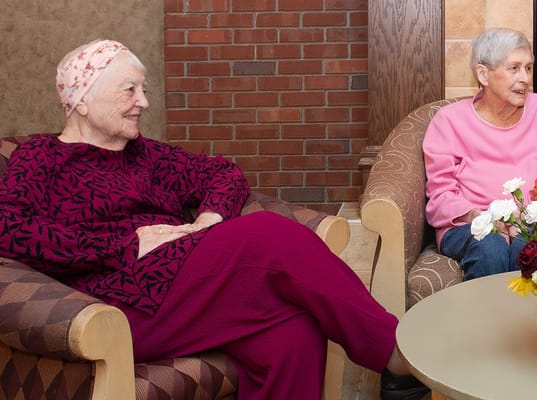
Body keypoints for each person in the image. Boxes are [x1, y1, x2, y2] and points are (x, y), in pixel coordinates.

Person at [0, 39, 427, 400]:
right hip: (115, 301)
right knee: (268, 234)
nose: (143, 102)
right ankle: (392, 351)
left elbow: (223, 173)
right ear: (81, 97)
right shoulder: (40, 157)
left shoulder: (145, 153)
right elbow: (10, 231)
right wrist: (126, 246)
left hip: (181, 281)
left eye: (143, 90)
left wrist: (207, 220)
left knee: (293, 334)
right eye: (129, 90)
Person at [423, 28, 537, 280]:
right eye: (514, 68)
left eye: (528, 68)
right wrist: (479, 216)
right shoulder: (448, 121)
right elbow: (440, 196)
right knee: (490, 245)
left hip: (535, 219)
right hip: (468, 224)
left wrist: (527, 219)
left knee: (528, 246)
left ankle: (527, 321)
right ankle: (486, 321)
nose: (525, 78)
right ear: (483, 74)